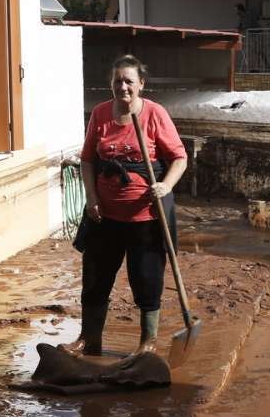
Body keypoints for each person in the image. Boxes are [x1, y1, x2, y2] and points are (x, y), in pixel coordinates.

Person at [62, 55, 187, 357]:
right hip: (104, 217)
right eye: (117, 80)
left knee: (147, 279)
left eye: (129, 81)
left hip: (145, 217)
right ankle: (89, 339)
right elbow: (89, 160)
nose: (123, 86)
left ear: (141, 84)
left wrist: (165, 185)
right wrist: (91, 198)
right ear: (111, 84)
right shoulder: (101, 114)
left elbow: (179, 158)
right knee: (95, 278)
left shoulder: (155, 114)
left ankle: (148, 343)